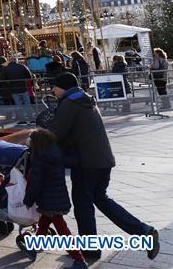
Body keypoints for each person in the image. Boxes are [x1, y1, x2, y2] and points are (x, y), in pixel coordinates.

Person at [48, 72, 160, 262]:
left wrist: (37, 142)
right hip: (102, 160)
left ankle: (90, 250)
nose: (52, 90)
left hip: (86, 163)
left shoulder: (69, 103)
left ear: (62, 87)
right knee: (101, 199)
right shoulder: (85, 100)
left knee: (83, 206)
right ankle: (143, 232)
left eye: (54, 86)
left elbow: (56, 134)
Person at [21, 128, 88, 268]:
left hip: (49, 200)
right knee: (44, 224)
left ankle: (79, 260)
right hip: (57, 197)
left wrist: (28, 200)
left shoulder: (39, 157)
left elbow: (36, 182)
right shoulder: (55, 152)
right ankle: (33, 249)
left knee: (63, 230)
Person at [4, 55, 33, 122]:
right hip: (23, 87)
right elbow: (29, 76)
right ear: (16, 61)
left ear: (10, 61)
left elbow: (5, 79)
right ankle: (31, 118)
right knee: (27, 104)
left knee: (18, 105)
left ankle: (22, 119)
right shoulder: (22, 66)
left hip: (13, 89)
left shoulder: (6, 68)